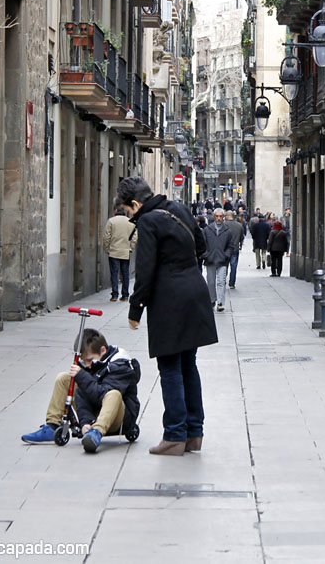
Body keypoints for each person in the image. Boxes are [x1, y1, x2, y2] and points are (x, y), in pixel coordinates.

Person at [116, 176, 218, 456]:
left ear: (136, 204)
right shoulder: (180, 209)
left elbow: (145, 269)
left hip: (169, 299)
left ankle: (174, 435)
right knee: (188, 364)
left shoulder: (148, 221)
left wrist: (135, 308)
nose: (129, 215)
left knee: (170, 366)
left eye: (127, 210)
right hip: (194, 291)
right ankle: (194, 433)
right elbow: (201, 246)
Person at [21, 329, 140, 453]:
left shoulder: (120, 366)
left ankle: (96, 432)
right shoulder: (92, 364)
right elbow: (82, 393)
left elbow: (101, 395)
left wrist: (82, 376)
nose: (87, 364)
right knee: (64, 378)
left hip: (116, 417)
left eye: (89, 360)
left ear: (103, 351)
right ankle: (53, 425)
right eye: (84, 361)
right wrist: (85, 422)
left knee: (113, 394)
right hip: (93, 410)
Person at [203, 208, 236, 311]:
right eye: (217, 216)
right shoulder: (207, 230)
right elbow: (202, 244)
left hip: (222, 260)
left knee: (221, 281)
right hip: (210, 260)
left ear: (224, 217)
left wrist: (226, 255)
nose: (218, 218)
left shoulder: (227, 230)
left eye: (220, 216)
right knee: (211, 282)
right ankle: (212, 300)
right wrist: (206, 255)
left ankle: (220, 302)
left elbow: (231, 246)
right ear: (214, 217)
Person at [104, 206, 137, 302]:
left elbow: (107, 236)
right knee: (125, 273)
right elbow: (135, 237)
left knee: (114, 273)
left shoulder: (111, 221)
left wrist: (107, 248)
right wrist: (131, 247)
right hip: (125, 251)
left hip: (113, 251)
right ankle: (125, 295)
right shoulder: (130, 221)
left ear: (115, 211)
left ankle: (114, 295)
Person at [225, 210, 244, 289]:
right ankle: (232, 283)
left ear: (227, 216)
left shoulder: (224, 225)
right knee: (233, 266)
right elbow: (241, 237)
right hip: (235, 248)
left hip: (225, 249)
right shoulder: (239, 225)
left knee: (224, 266)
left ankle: (223, 280)